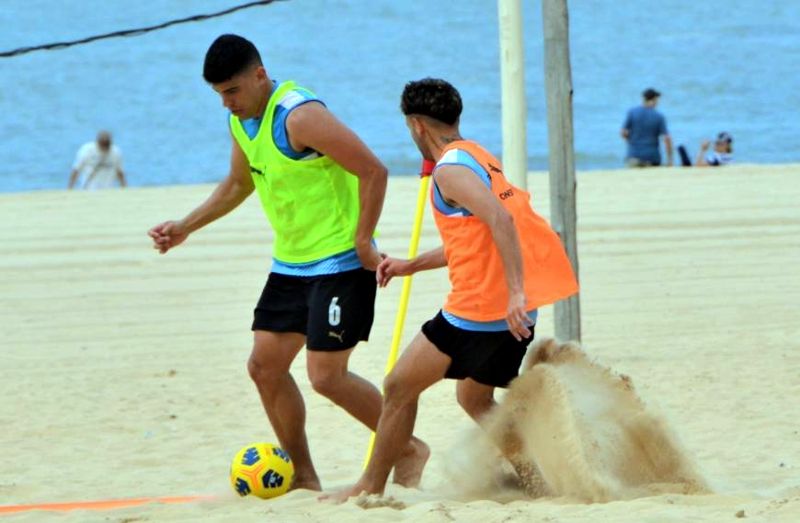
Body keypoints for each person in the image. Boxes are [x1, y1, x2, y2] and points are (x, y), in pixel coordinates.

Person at [147, 34, 428, 491]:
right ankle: (304, 475)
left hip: (340, 262)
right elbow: (239, 185)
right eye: (219, 95)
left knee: (325, 377)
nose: (227, 103)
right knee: (264, 367)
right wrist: (186, 226)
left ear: (260, 76)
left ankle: (409, 447)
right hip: (291, 266)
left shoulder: (299, 116)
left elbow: (373, 170)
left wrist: (362, 241)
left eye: (233, 91)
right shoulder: (242, 122)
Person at [324, 78, 579, 502]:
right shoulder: (478, 156)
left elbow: (502, 221)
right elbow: (472, 238)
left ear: (417, 126)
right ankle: (539, 482)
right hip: (516, 315)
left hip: (480, 311)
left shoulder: (450, 169)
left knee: (399, 386)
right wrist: (410, 266)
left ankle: (370, 485)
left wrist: (514, 291)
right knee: (475, 398)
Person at [621, 88, 673, 167]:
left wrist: (631, 142)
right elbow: (667, 138)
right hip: (652, 158)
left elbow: (623, 132)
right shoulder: (659, 116)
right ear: (654, 100)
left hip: (633, 156)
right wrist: (670, 160)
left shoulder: (632, 113)